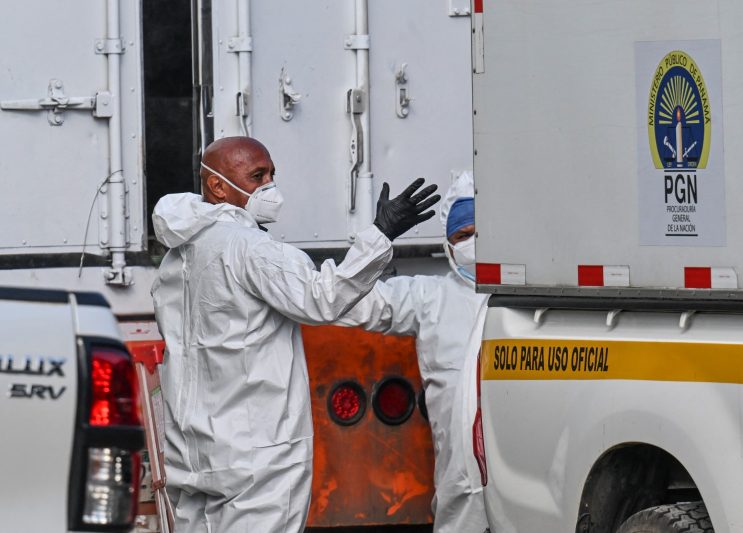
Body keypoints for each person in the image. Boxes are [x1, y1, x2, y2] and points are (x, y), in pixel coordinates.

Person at [151, 136, 439, 533]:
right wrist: (381, 233)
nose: (270, 186)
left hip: (194, 453)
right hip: (259, 454)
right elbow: (322, 298)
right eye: (257, 176)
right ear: (217, 185)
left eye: (271, 174)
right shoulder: (251, 248)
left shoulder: (178, 255)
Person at [339, 171, 490, 533]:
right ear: (449, 244)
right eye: (462, 236)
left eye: (479, 235)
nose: (471, 244)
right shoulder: (428, 297)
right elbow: (346, 301)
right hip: (460, 467)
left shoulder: (525, 297)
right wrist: (375, 240)